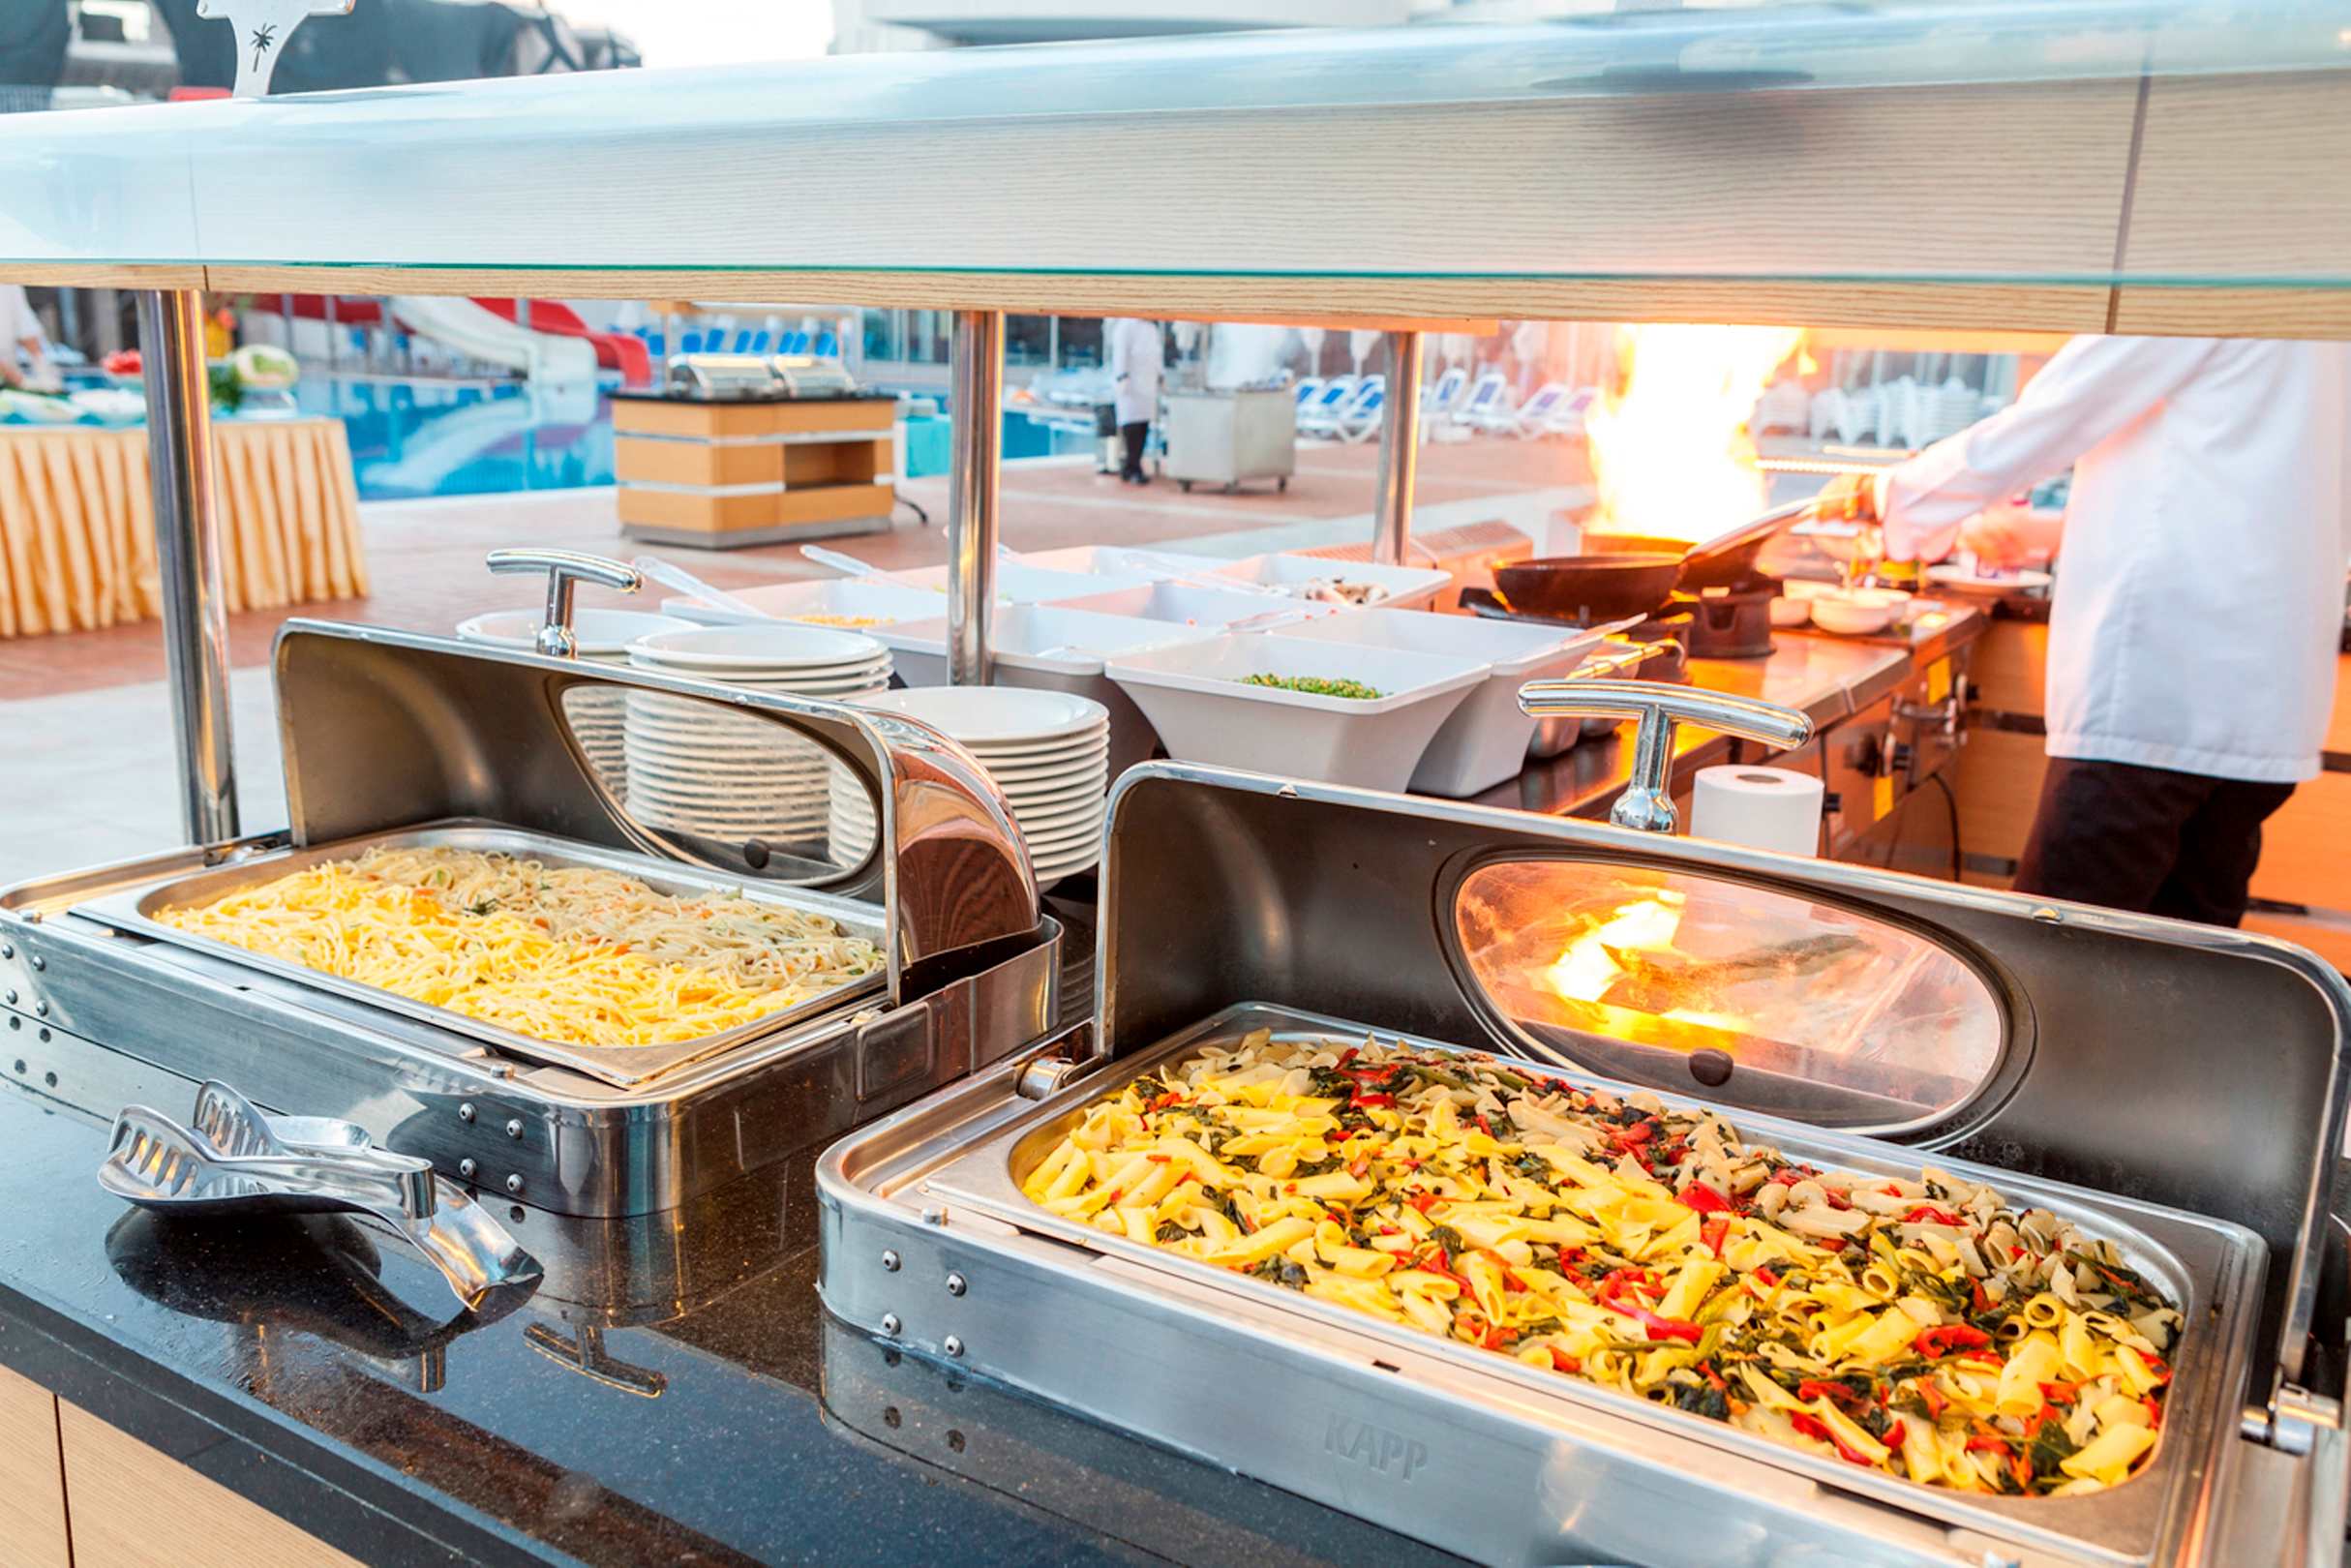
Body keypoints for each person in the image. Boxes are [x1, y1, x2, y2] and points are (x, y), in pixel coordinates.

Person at [1820, 336, 2351, 927]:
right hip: (2266, 701)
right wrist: (2048, 532)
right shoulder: (2321, 296)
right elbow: (2246, 463)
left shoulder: (2205, 280)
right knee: (2188, 959)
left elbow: (2061, 410)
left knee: (2050, 959)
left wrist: (1889, 493)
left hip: (2158, 696)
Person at [1106, 317, 1162, 485]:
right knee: (1131, 428)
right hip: (1130, 385)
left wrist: (1161, 375)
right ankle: (1131, 467)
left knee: (1143, 426)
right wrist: (1121, 376)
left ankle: (1134, 465)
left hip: (1148, 385)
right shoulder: (1125, 326)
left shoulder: (1152, 329)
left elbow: (1157, 355)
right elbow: (1120, 354)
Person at [0, 285, 51, 390]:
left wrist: (42, 367)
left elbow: (26, 328)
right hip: (9, 378)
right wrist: (20, 380)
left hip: (8, 382)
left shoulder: (10, 283)